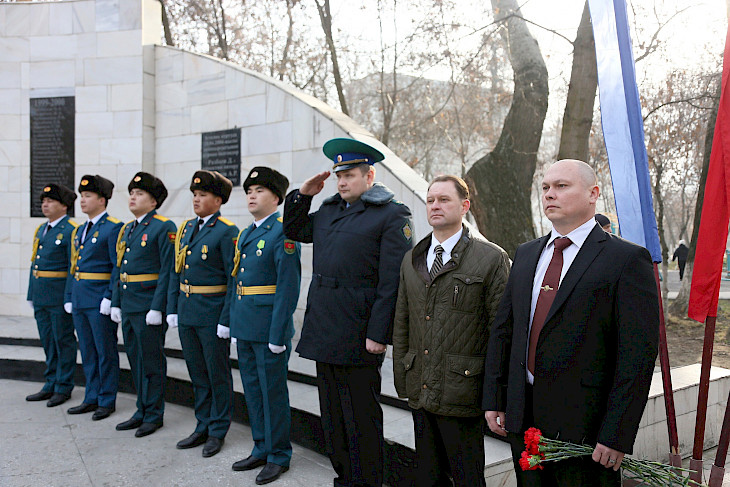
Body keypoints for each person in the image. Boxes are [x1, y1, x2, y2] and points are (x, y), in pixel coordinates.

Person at [482, 159, 660, 486]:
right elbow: (504, 331)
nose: (550, 194)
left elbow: (637, 356)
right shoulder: (526, 254)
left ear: (593, 193)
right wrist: (495, 397)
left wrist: (616, 434)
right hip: (523, 419)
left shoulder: (626, 259)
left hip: (586, 431)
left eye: (561, 186)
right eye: (545, 187)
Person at [284, 138, 413, 487]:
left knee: (361, 416)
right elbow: (294, 229)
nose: (342, 182)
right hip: (325, 327)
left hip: (359, 332)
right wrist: (303, 195)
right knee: (332, 415)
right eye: (339, 176)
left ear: (369, 176)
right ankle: (344, 477)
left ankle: (367, 480)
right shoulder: (328, 210)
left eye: (350, 175)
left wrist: (379, 333)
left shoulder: (392, 214)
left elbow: (392, 281)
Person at [392, 175, 510, 487]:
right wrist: (404, 377)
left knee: (468, 477)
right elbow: (402, 321)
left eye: (444, 199)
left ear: (464, 206)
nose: (435, 205)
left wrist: (497, 394)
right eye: (431, 200)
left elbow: (501, 331)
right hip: (421, 386)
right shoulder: (412, 259)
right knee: (429, 476)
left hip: (462, 390)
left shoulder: (491, 258)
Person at [230, 167, 301, 485]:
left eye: (259, 191)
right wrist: (231, 323)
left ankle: (279, 454)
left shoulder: (283, 232)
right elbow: (237, 282)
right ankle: (261, 446)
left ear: (276, 198)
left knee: (272, 394)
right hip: (246, 325)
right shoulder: (247, 233)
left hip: (268, 329)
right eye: (249, 191)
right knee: (253, 391)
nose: (252, 196)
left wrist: (278, 333)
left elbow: (288, 287)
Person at [168, 170, 238, 457]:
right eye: (194, 195)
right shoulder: (186, 228)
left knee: (216, 373)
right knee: (197, 372)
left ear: (218, 200)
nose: (196, 200)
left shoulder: (226, 231)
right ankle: (202, 424)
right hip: (188, 311)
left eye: (203, 195)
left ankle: (218, 430)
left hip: (212, 313)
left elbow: (233, 279)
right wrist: (173, 308)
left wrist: (226, 319)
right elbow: (176, 270)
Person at [111, 172, 175, 437]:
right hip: (129, 304)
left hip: (148, 305)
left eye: (139, 194)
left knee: (151, 361)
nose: (133, 198)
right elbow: (119, 268)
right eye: (131, 193)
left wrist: (157, 307)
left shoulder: (163, 227)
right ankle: (141, 409)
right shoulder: (128, 228)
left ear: (153, 201)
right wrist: (116, 302)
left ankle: (154, 413)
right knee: (135, 360)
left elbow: (167, 270)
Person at [64, 174, 123, 420]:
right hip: (81, 298)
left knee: (104, 351)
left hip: (99, 300)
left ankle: (106, 399)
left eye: (88, 196)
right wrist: (69, 295)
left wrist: (110, 296)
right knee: (88, 351)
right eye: (81, 196)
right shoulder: (80, 230)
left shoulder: (113, 227)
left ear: (102, 200)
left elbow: (117, 266)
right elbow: (74, 265)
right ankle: (91, 396)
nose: (82, 200)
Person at [26, 183, 79, 408]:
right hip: (41, 295)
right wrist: (31, 293)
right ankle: (50, 382)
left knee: (63, 340)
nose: (45, 205)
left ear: (64, 205)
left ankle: (63, 385)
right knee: (48, 340)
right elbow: (35, 263)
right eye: (43, 201)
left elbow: (72, 267)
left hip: (58, 296)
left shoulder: (71, 230)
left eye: (50, 201)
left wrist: (69, 297)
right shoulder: (42, 229)